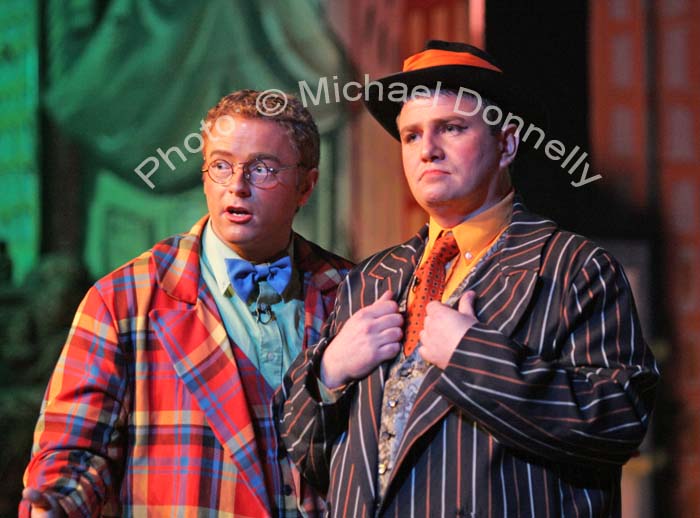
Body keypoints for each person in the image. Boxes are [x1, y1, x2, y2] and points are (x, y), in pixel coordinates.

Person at [276, 41, 659, 517]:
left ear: (507, 144)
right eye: (411, 136)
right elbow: (303, 451)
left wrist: (471, 357)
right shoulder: (370, 279)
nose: (427, 150)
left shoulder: (573, 266)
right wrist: (331, 371)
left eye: (451, 128)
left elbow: (619, 422)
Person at [21, 89, 352, 517]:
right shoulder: (124, 300)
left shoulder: (349, 291)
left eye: (263, 169)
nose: (237, 185)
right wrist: (55, 504)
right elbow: (75, 452)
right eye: (221, 166)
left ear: (306, 186)